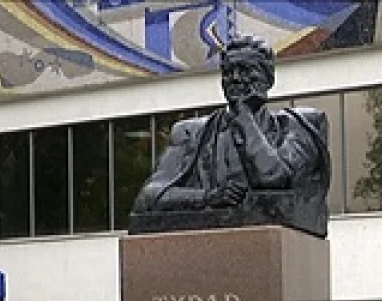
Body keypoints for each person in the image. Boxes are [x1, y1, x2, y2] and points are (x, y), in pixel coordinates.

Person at [130, 35, 330, 237]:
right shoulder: (190, 133)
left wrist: (244, 117)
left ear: (268, 79)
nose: (234, 78)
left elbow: (272, 178)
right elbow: (148, 197)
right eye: (228, 72)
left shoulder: (300, 125)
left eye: (245, 70)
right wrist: (208, 197)